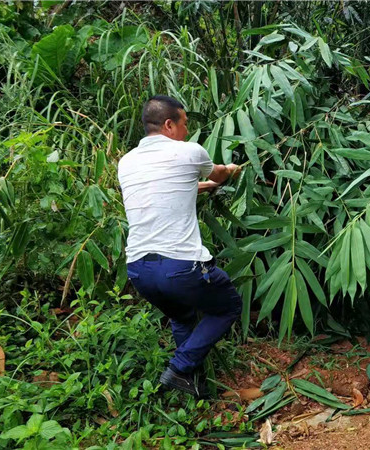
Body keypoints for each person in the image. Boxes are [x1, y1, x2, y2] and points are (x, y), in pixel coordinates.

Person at [118, 95, 242, 398]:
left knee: (182, 317)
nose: (187, 131)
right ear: (169, 124)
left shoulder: (127, 162)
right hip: (180, 266)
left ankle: (193, 389)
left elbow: (170, 186)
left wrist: (205, 186)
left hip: (138, 269)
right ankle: (179, 367)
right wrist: (230, 170)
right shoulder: (188, 152)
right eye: (185, 124)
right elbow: (219, 173)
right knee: (228, 307)